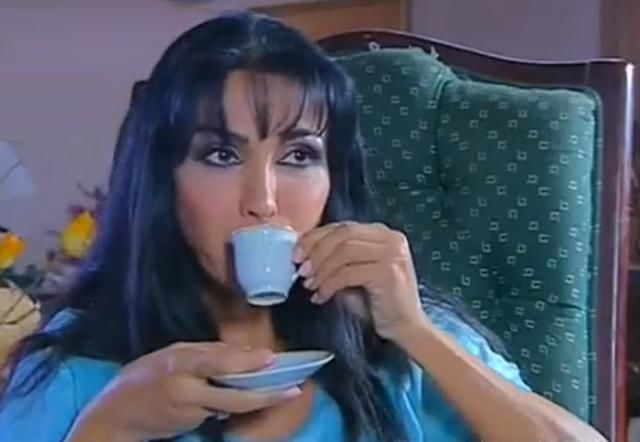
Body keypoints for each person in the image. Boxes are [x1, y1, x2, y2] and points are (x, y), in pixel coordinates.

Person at [0, 12, 605, 442]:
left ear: (332, 182)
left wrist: (415, 332)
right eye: (221, 155)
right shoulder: (79, 367)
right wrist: (110, 429)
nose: (263, 202)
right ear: (163, 182)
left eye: (297, 156)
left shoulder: (402, 340)